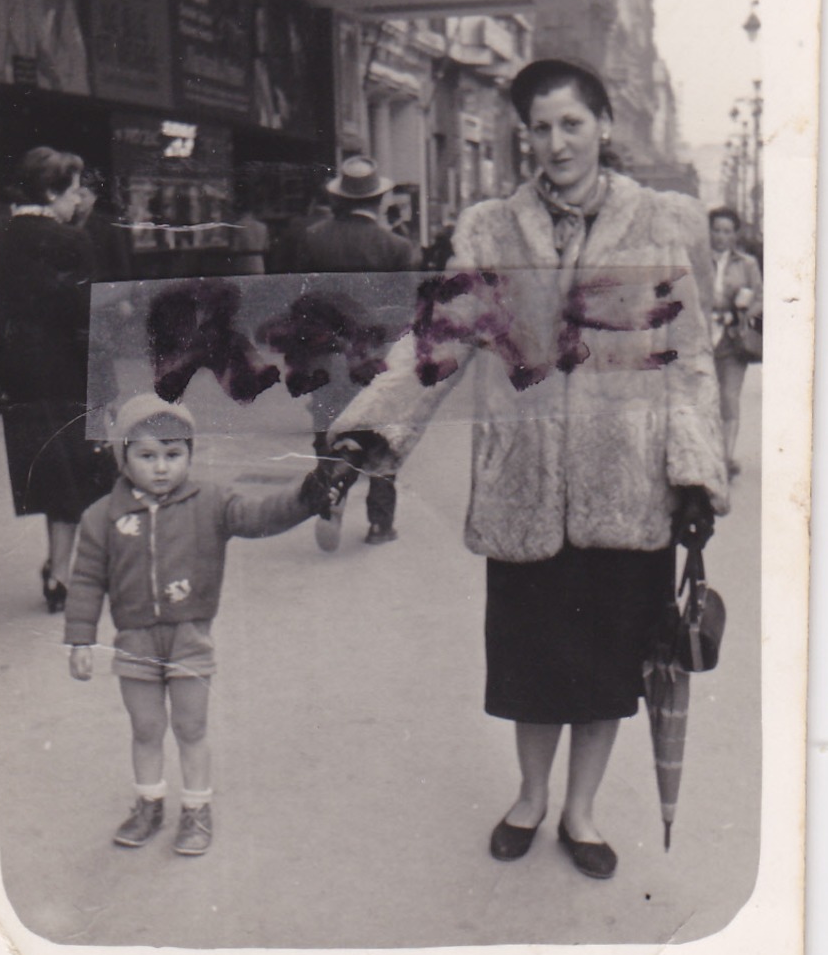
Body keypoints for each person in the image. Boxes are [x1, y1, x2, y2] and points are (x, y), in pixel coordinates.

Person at [326, 58, 728, 878]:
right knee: (532, 661)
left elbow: (685, 359)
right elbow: (436, 342)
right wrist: (367, 437)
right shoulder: (489, 232)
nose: (555, 143)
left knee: (611, 665)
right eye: (540, 128)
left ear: (602, 125)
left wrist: (693, 474)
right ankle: (530, 797)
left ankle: (580, 813)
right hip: (524, 485)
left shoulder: (658, 223)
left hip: (629, 484)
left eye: (570, 124)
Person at [63, 393, 332, 855]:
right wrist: (80, 639)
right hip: (134, 642)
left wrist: (307, 496)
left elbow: (260, 516)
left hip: (190, 639)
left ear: (190, 453)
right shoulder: (101, 516)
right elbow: (86, 579)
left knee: (191, 727)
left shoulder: (212, 500)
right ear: (122, 456)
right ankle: (149, 803)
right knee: (146, 728)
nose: (162, 467)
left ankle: (196, 809)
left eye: (174, 454)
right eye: (147, 456)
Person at [0, 146, 119, 613]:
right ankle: (68, 571)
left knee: (51, 474)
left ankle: (59, 571)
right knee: (81, 472)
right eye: (73, 190)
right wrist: (105, 384)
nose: (79, 200)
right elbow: (86, 321)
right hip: (71, 373)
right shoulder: (72, 242)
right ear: (51, 192)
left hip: (20, 378)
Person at [299, 155, 415, 548]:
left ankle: (329, 499)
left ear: (339, 199)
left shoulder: (312, 239)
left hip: (324, 353)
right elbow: (406, 310)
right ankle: (380, 524)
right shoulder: (397, 246)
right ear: (378, 199)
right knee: (380, 431)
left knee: (328, 425)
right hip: (375, 356)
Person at [709, 206, 763, 478]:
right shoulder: (695, 260)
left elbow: (761, 299)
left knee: (729, 398)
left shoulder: (747, 264)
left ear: (735, 235)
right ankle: (706, 455)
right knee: (704, 399)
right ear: (709, 232)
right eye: (716, 230)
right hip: (701, 341)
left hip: (733, 341)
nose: (721, 236)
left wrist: (741, 311)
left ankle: (726, 458)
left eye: (727, 231)